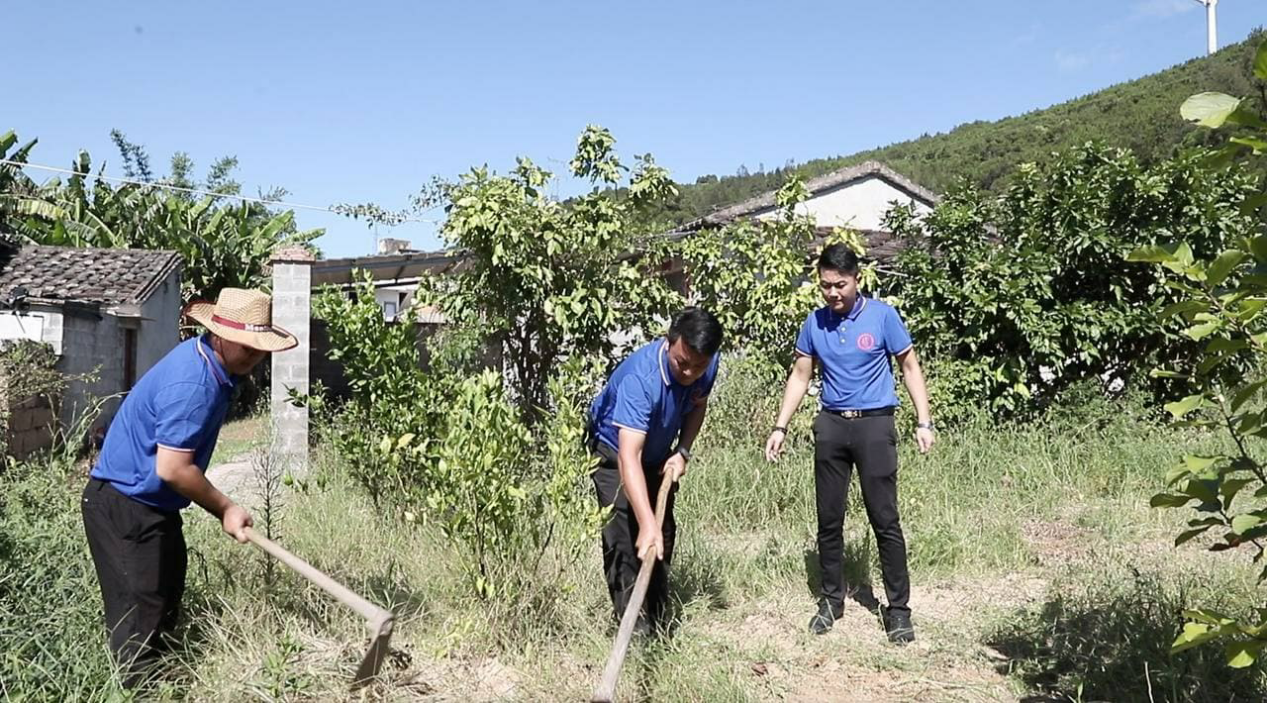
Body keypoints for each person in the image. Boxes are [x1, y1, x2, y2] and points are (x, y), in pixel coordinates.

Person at [82, 288, 297, 687]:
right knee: (139, 617)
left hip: (151, 505)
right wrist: (226, 508)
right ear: (218, 334)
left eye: (259, 346)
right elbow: (174, 469)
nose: (253, 354)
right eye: (246, 345)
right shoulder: (194, 383)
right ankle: (140, 692)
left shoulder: (212, 366)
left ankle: (166, 686)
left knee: (163, 600)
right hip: (123, 504)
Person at [764, 244, 934, 643]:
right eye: (825, 286)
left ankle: (898, 610)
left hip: (875, 425)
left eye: (840, 285)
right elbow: (800, 377)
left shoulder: (883, 316)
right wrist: (780, 427)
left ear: (856, 279)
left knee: (885, 520)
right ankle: (831, 601)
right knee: (829, 520)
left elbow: (910, 367)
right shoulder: (814, 323)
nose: (833, 293)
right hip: (832, 427)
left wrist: (923, 420)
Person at [587, 306, 723, 635]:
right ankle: (633, 631)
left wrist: (683, 451)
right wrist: (645, 522)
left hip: (659, 454)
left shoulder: (708, 361)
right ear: (669, 342)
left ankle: (660, 622)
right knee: (624, 540)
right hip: (613, 453)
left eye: (698, 366)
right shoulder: (641, 379)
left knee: (662, 537)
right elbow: (627, 457)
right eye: (682, 363)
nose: (690, 372)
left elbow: (698, 404)